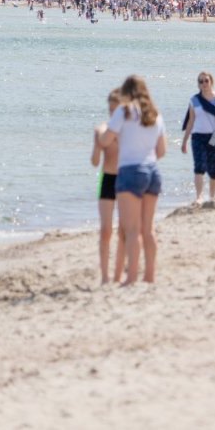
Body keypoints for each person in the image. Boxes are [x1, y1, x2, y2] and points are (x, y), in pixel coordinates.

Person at [97, 75, 167, 286]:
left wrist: (103, 135)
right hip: (152, 171)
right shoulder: (155, 115)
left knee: (132, 229)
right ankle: (150, 276)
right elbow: (161, 151)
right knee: (148, 229)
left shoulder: (123, 111)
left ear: (127, 93)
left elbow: (105, 140)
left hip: (130, 171)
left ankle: (131, 278)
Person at [180, 71, 215, 205]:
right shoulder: (194, 100)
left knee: (214, 169)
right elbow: (191, 121)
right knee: (199, 166)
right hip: (198, 137)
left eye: (206, 81)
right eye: (201, 81)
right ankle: (199, 197)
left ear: (211, 82)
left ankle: (212, 197)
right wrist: (185, 141)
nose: (204, 83)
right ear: (198, 84)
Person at [90, 88, 124, 284]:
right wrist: (97, 145)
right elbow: (95, 162)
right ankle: (104, 276)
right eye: (110, 109)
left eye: (116, 109)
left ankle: (119, 273)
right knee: (106, 230)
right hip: (108, 180)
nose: (113, 113)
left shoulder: (128, 130)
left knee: (124, 229)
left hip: (126, 179)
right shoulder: (101, 130)